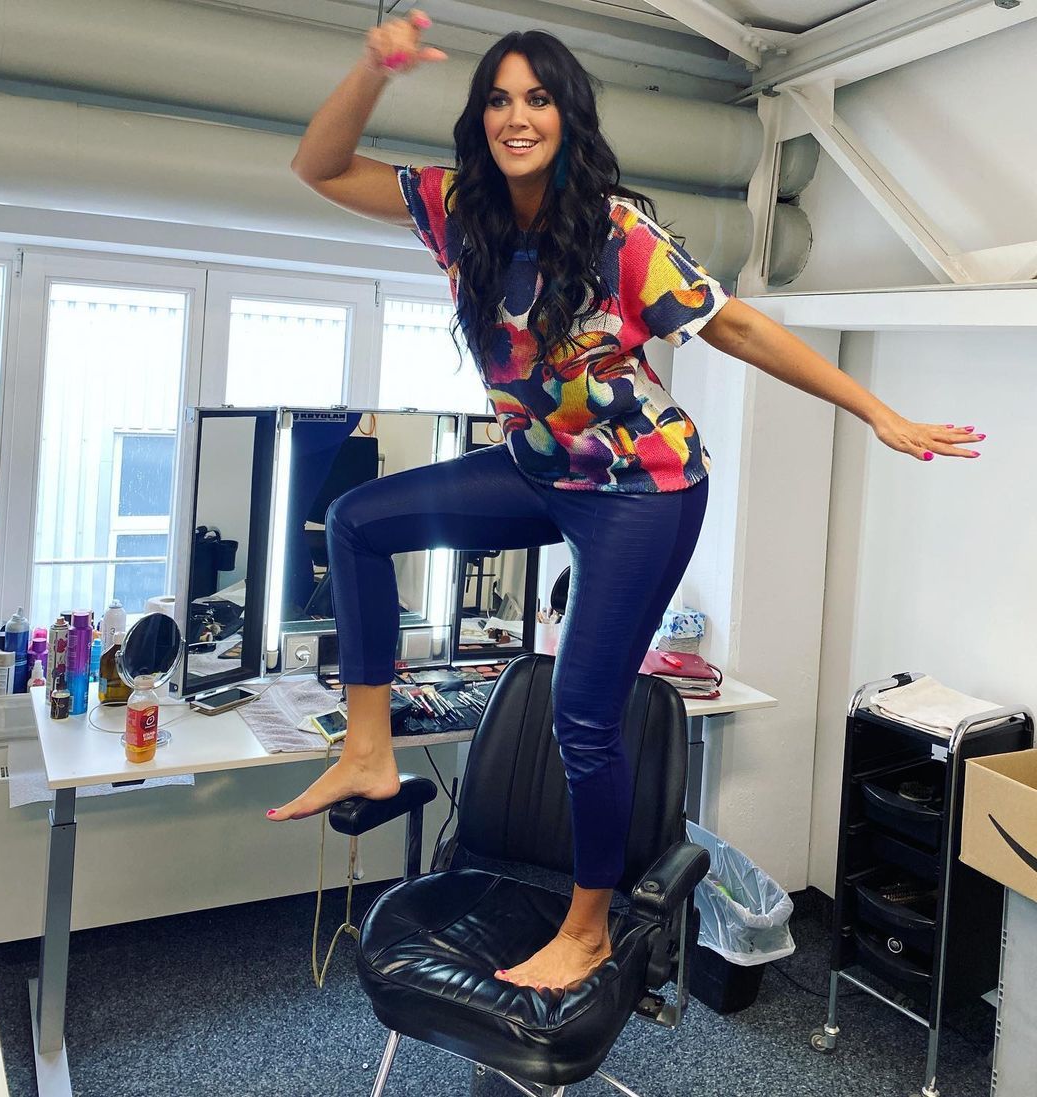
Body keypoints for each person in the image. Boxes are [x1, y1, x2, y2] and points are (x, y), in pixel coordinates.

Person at [267, 9, 985, 992]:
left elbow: (738, 329)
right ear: (480, 119)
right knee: (357, 520)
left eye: (538, 98)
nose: (518, 116)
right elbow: (318, 165)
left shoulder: (616, 234)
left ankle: (589, 927)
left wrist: (876, 411)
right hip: (539, 466)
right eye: (499, 100)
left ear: (568, 117)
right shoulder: (456, 207)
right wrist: (372, 69)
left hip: (643, 486)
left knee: (582, 713)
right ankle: (367, 750)